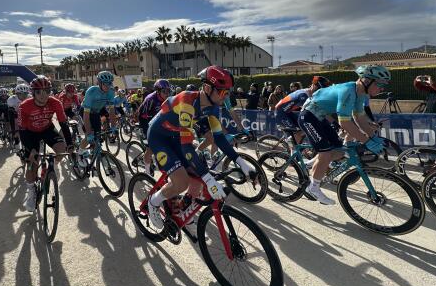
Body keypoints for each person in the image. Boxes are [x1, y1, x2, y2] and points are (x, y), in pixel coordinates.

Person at [146, 66, 256, 230]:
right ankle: (153, 202)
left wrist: (242, 163)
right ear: (207, 87)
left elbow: (219, 138)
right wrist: (209, 179)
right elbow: (186, 148)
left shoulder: (213, 107)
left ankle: (182, 207)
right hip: (159, 136)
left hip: (175, 134)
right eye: (222, 92)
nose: (225, 97)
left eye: (227, 92)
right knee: (182, 182)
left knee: (198, 173)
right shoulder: (187, 102)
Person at [299, 65, 390, 205]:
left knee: (339, 151)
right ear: (366, 81)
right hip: (309, 116)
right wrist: (367, 141)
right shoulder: (348, 90)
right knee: (326, 154)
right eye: (380, 84)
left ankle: (312, 164)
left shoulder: (361, 94)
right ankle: (313, 187)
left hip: (321, 116)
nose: (382, 89)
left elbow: (360, 119)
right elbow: (345, 123)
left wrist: (373, 137)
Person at [18, 77, 70, 211]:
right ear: (33, 93)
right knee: (32, 164)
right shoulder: (24, 106)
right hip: (30, 133)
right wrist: (30, 150)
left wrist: (70, 144)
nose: (44, 95)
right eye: (39, 92)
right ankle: (31, 191)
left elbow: (63, 124)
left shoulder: (55, 102)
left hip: (47, 129)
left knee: (62, 149)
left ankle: (51, 169)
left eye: (47, 91)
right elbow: (22, 131)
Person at [275, 76, 331, 148]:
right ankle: (294, 152)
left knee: (303, 128)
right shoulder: (304, 95)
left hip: (288, 112)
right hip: (281, 112)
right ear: (313, 86)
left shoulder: (309, 92)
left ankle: (294, 144)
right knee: (297, 133)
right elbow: (311, 111)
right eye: (319, 89)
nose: (320, 92)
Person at [79, 71, 117, 152]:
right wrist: (89, 133)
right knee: (89, 135)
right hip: (85, 112)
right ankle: (80, 152)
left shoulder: (111, 92)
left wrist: (113, 126)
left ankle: (95, 152)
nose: (107, 86)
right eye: (104, 83)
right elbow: (86, 116)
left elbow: (112, 111)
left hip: (96, 112)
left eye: (109, 83)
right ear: (99, 83)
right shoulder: (91, 91)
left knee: (98, 136)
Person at [138, 79, 171, 172]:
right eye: (164, 91)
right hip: (145, 121)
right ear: (158, 91)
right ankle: (147, 171)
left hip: (156, 120)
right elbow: (142, 115)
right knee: (151, 148)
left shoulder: (168, 99)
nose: (167, 94)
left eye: (169, 91)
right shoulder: (150, 99)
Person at [7, 84, 29, 148]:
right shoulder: (12, 99)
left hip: (27, 116)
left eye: (25, 93)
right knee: (16, 131)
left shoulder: (30, 97)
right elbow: (11, 115)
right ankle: (16, 142)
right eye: (20, 94)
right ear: (16, 94)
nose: (23, 95)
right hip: (16, 116)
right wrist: (14, 130)